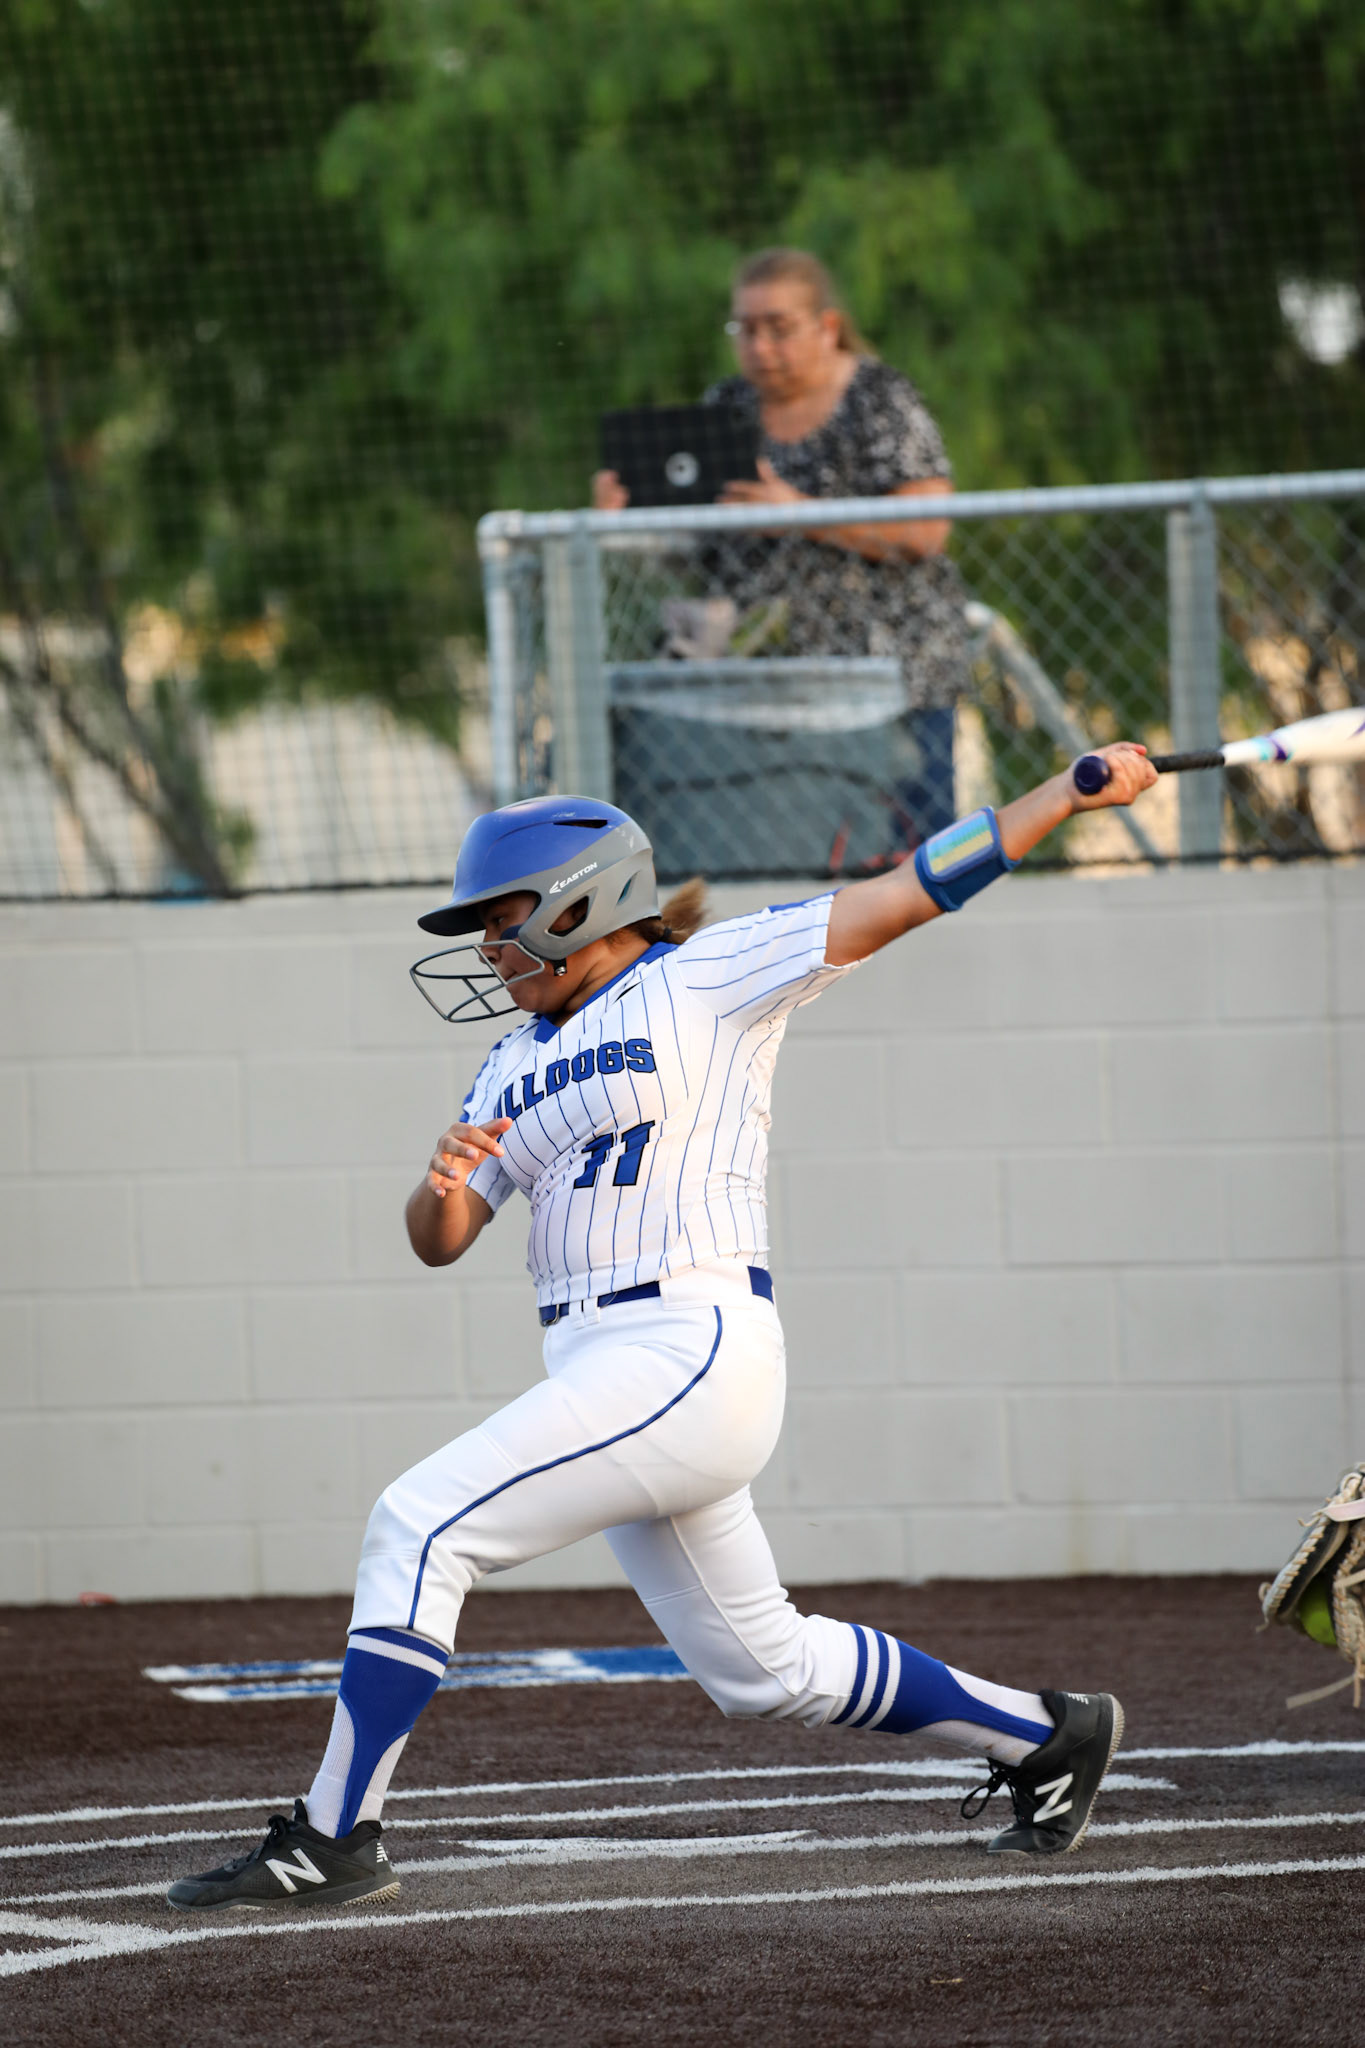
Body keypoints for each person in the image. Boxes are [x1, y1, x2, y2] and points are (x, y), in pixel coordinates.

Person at [167, 742, 1157, 1913]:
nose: (487, 945)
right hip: (602, 1364)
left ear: (580, 899)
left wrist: (1063, 797)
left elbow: (910, 890)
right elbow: (442, 1237)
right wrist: (436, 1185)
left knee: (419, 1525)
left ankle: (336, 1835)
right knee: (762, 1667)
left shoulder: (705, 976)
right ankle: (1046, 1733)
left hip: (690, 1344)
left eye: (503, 917)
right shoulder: (508, 1062)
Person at [595, 246, 970, 855]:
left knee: (913, 859)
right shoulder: (727, 407)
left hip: (895, 685)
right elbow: (693, 548)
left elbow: (927, 529)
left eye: (779, 328)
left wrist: (799, 515)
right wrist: (624, 522)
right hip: (765, 695)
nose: (761, 347)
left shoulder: (879, 398)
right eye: (745, 330)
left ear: (827, 327)